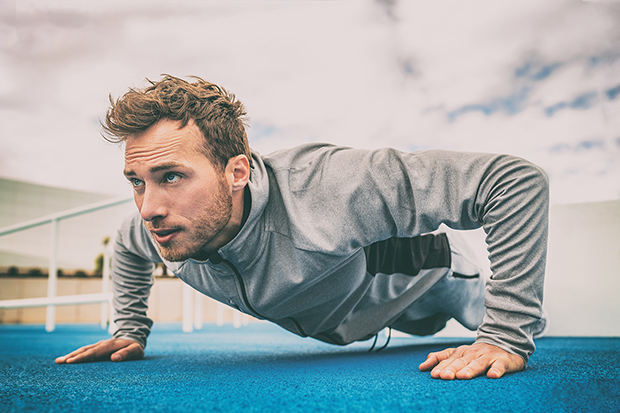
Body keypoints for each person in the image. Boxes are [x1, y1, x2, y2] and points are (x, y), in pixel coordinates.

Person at [55, 75, 549, 380]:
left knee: (524, 343)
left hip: (432, 276)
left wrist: (505, 334)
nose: (149, 209)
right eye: (136, 183)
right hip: (355, 316)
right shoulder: (167, 229)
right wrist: (129, 329)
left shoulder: (331, 186)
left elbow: (513, 182)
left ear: (237, 172)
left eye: (171, 177)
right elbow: (125, 245)